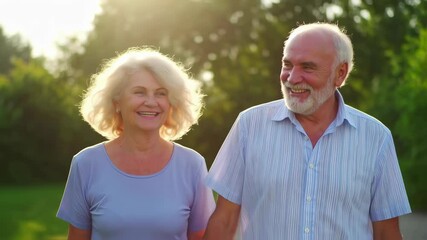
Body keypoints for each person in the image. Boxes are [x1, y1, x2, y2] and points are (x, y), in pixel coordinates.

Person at [203, 22, 411, 240]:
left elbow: (387, 233)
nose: (292, 78)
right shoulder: (249, 125)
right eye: (287, 65)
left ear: (340, 73)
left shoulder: (376, 138)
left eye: (307, 67)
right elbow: (224, 222)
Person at [57, 47, 215, 240]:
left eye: (161, 93)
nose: (151, 102)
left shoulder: (192, 165)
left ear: (173, 102)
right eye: (139, 92)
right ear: (116, 102)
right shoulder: (85, 163)